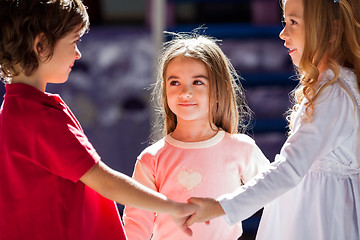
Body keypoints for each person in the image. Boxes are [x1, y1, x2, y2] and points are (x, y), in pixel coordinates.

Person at [0, 1, 196, 239]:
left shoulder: (11, 112)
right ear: (41, 45)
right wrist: (172, 207)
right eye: (73, 41)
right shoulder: (42, 117)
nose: (78, 53)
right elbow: (105, 182)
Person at [186, 0, 360, 239]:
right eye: (284, 22)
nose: (283, 33)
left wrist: (221, 206)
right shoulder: (328, 88)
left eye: (293, 23)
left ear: (329, 29)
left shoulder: (333, 94)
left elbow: (290, 167)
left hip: (324, 220)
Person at [122, 33, 270, 240]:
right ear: (164, 89)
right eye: (175, 83)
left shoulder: (242, 149)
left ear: (219, 90)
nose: (185, 92)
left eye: (198, 82)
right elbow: (136, 225)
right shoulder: (151, 159)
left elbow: (273, 194)